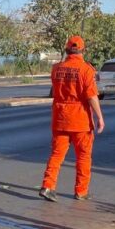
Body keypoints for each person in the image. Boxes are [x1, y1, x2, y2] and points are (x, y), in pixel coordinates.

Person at [39, 35, 105, 202]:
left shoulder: (56, 69)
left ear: (67, 50)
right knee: (83, 156)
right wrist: (100, 117)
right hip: (80, 119)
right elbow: (91, 96)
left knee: (56, 154)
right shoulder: (86, 70)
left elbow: (55, 91)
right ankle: (81, 191)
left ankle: (48, 186)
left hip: (60, 117)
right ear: (83, 51)